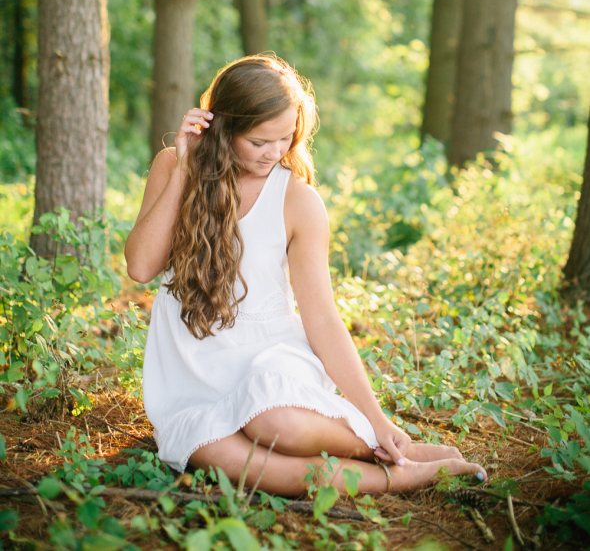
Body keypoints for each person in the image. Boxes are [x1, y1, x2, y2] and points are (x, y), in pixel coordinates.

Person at [125, 55, 487, 496]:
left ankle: (386, 441)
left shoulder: (297, 201)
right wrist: (183, 167)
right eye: (259, 141)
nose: (274, 152)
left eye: (284, 139)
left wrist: (376, 416)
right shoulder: (174, 166)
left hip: (266, 357)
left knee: (276, 425)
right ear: (222, 126)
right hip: (191, 370)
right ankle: (403, 472)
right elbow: (141, 267)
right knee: (228, 459)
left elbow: (321, 318)